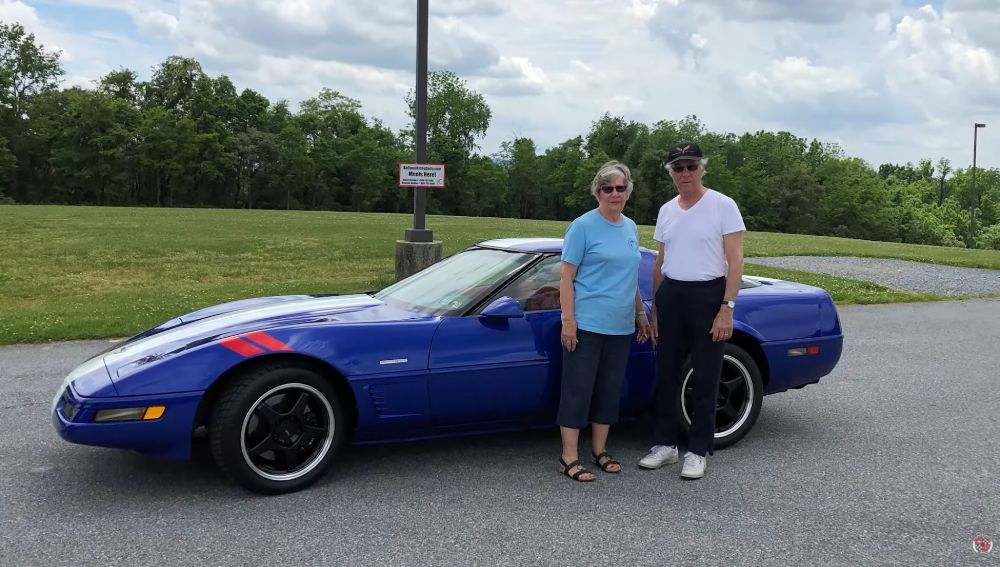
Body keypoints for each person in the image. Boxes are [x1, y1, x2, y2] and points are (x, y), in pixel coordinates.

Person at [638, 142, 745, 480]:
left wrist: (726, 307)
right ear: (671, 173)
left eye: (690, 166)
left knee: (705, 377)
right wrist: (655, 308)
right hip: (672, 294)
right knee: (666, 373)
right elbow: (660, 261)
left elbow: (736, 260)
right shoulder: (667, 209)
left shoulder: (722, 206)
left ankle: (698, 450)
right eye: (678, 168)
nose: (685, 173)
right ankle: (665, 446)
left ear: (702, 168)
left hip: (708, 294)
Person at [557, 160, 652, 482]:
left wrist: (641, 314)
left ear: (627, 192)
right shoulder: (582, 226)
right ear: (598, 191)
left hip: (620, 325)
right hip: (587, 324)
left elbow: (630, 277)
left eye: (620, 188)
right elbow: (566, 277)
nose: (614, 193)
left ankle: (600, 450)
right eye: (607, 188)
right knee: (577, 390)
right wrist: (568, 320)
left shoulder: (630, 227)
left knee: (609, 390)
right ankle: (568, 456)